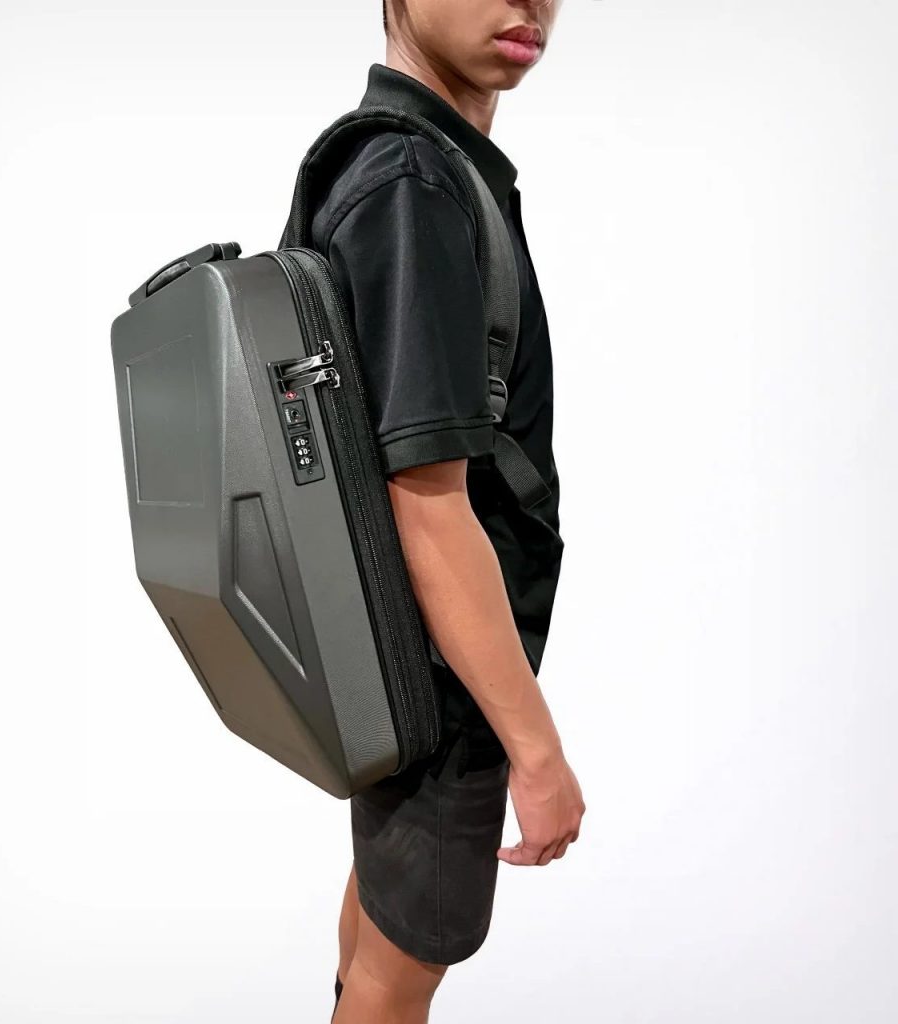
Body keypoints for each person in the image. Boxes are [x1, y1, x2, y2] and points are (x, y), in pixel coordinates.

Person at [309, 3, 585, 1020]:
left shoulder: (407, 164)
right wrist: (535, 750)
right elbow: (427, 504)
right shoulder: (413, 183)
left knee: (378, 935)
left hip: (403, 657)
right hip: (439, 682)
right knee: (399, 974)